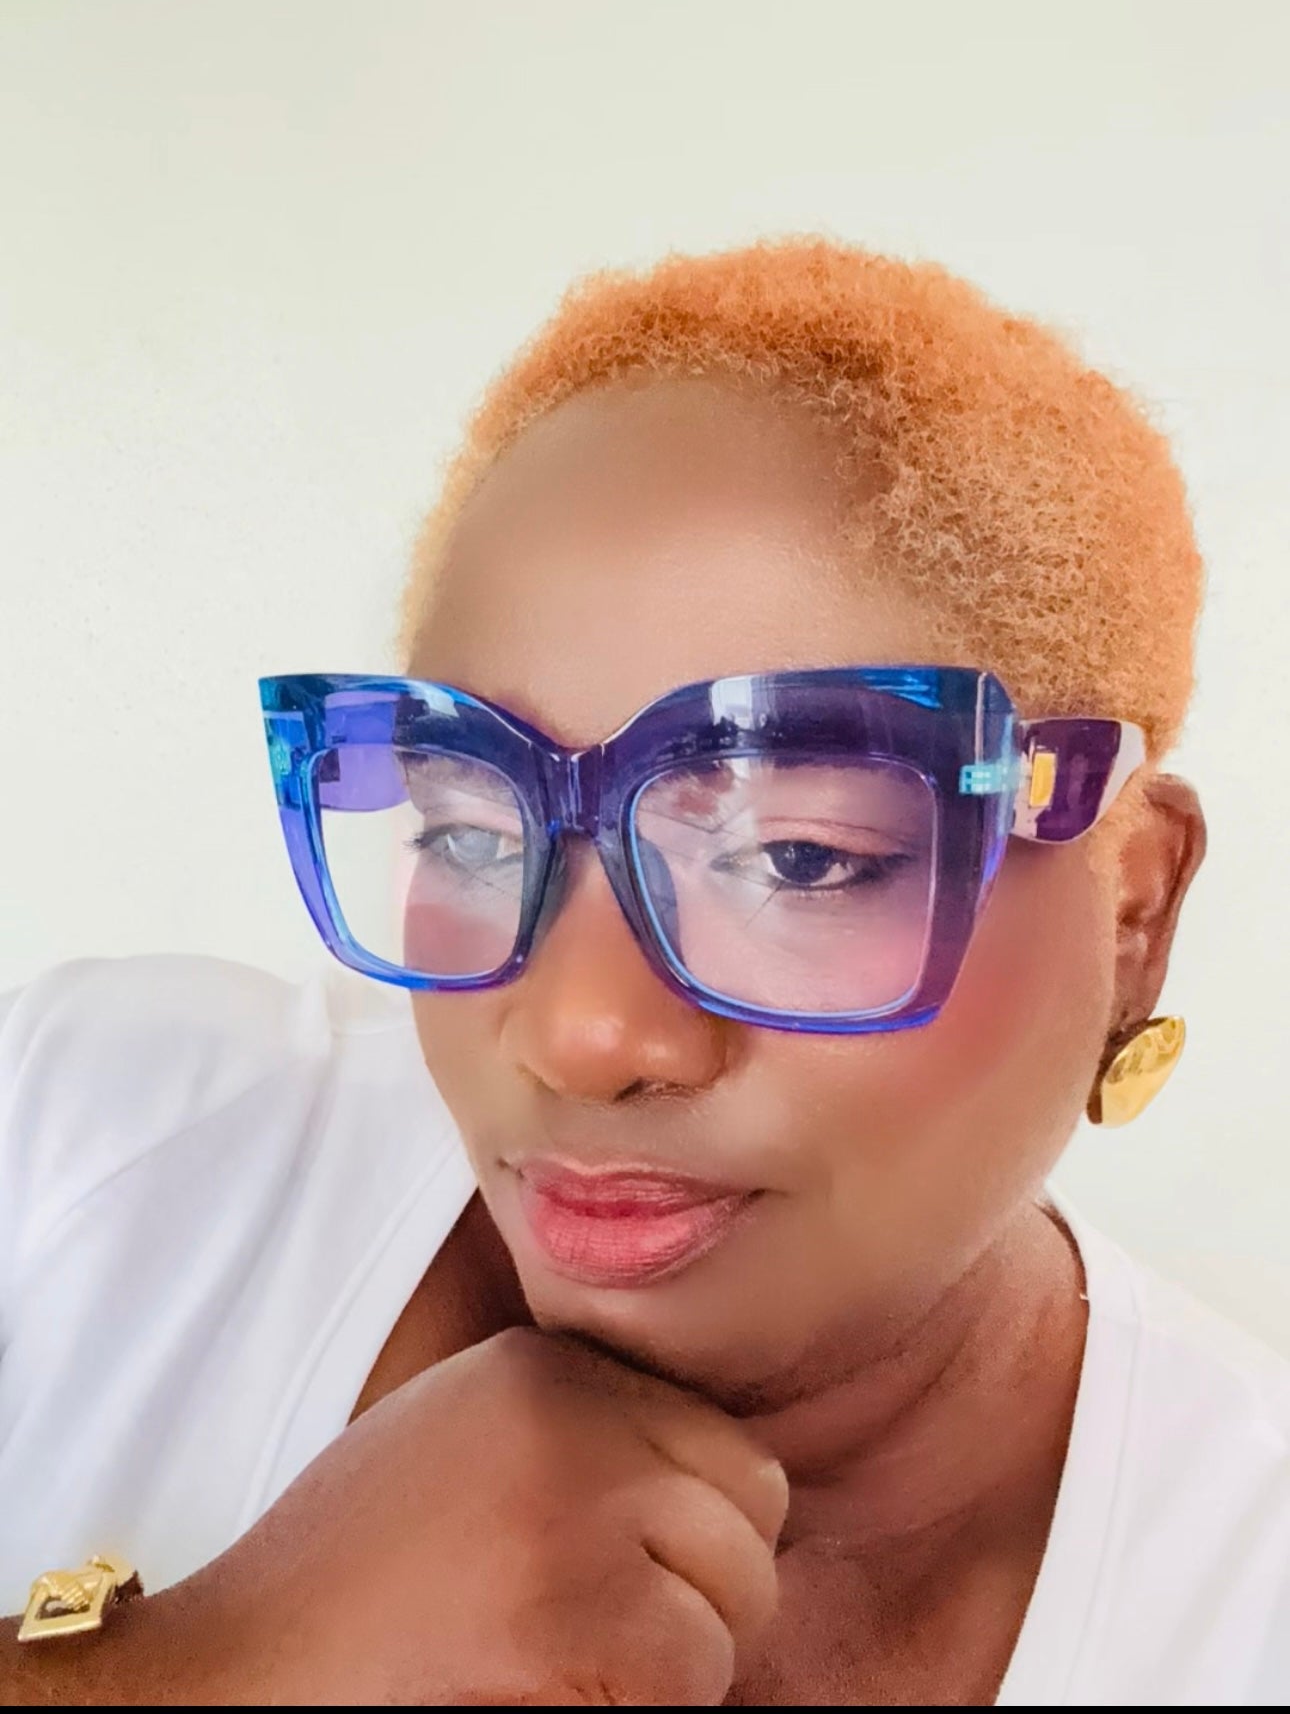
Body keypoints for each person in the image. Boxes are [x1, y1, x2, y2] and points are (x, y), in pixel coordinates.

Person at [2, 239, 1287, 1706]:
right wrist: (196, 1670)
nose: (582, 1031)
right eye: (471, 831)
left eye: (796, 857)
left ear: (1133, 907)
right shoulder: (78, 1151)